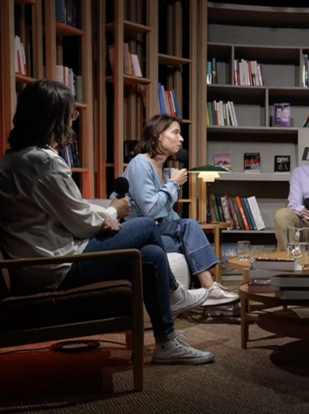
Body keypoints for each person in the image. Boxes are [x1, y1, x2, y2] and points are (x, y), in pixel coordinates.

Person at [0, 80, 214, 364]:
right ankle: (174, 295)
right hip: (56, 266)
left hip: (38, 264)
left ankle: (166, 342)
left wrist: (104, 216)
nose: (73, 119)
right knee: (146, 227)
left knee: (150, 254)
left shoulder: (14, 160)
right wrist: (112, 212)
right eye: (71, 113)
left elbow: (70, 210)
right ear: (54, 118)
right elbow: (81, 223)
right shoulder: (43, 163)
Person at [116, 114, 238, 307]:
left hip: (156, 231)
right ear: (157, 134)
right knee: (188, 232)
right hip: (136, 235)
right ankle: (209, 288)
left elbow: (166, 215)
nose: (181, 139)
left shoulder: (164, 171)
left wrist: (171, 184)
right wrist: (173, 184)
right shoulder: (140, 164)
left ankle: (208, 287)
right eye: (175, 132)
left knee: (189, 227)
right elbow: (150, 210)